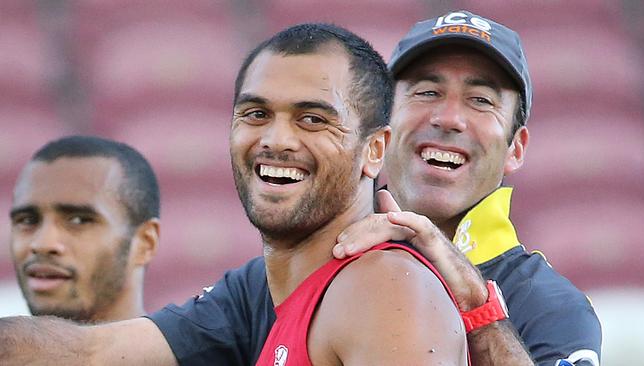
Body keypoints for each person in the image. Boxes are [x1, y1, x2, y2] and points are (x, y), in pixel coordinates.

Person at [0, 24, 467, 366]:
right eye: (256, 113)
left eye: (312, 118)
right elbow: (88, 353)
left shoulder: (384, 285)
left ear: (374, 149)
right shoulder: (256, 293)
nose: (276, 139)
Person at [332, 10, 602, 366]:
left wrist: (480, 313)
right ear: (382, 126)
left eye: (480, 100)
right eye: (427, 92)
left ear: (515, 148)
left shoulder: (551, 307)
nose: (448, 118)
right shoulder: (299, 265)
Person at [9, 135, 161, 323]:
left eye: (78, 220)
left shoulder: (192, 352)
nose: (42, 244)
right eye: (27, 220)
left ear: (145, 243)